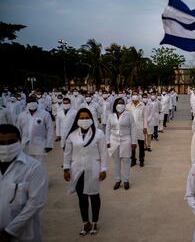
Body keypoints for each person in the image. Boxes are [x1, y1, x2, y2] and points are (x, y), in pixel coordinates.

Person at [0, 124, 48, 242]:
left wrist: (9, 231)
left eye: (11, 142)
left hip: (23, 235)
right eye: (1, 143)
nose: (6, 147)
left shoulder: (33, 167)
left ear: (19, 141)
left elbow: (35, 203)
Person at [63, 108, 108, 236]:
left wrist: (103, 169)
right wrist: (66, 168)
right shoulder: (72, 135)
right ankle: (85, 222)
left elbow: (103, 153)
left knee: (94, 196)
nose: (84, 120)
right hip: (77, 170)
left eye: (86, 118)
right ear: (77, 120)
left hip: (93, 168)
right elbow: (67, 153)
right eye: (81, 118)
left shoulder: (98, 134)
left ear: (91, 119)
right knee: (81, 197)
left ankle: (94, 221)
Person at [106, 98, 137, 190]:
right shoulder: (111, 115)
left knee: (126, 161)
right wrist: (107, 141)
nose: (121, 105)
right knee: (116, 162)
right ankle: (118, 180)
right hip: (114, 140)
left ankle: (126, 180)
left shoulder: (129, 115)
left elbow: (133, 128)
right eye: (119, 103)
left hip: (126, 139)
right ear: (115, 105)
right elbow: (107, 129)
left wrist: (134, 141)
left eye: (122, 103)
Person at [17, 96, 53, 166]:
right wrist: (17, 144)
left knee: (39, 165)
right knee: (26, 165)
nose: (32, 103)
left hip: (39, 144)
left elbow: (50, 129)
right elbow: (18, 130)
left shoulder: (44, 114)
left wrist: (49, 144)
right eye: (30, 102)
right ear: (27, 104)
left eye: (33, 101)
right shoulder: (22, 115)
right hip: (25, 145)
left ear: (37, 103)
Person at [126, 92, 148, 167]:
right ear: (131, 97)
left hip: (140, 128)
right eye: (133, 95)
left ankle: (141, 160)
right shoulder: (128, 106)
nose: (135, 96)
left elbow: (145, 117)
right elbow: (126, 117)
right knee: (132, 145)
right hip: (131, 129)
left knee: (141, 145)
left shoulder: (142, 106)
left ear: (138, 96)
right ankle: (133, 160)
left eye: (136, 95)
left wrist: (145, 127)